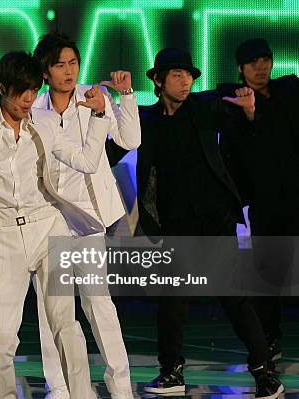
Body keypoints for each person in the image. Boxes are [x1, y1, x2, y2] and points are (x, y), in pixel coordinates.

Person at [0, 50, 111, 398]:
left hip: (48, 229)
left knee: (66, 325)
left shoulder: (43, 122)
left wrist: (101, 115)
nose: (29, 98)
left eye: (33, 90)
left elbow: (87, 161)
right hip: (2, 235)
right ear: (2, 88)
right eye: (21, 91)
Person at [106, 48, 283, 399]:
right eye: (176, 74)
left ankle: (265, 374)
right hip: (175, 223)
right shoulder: (148, 120)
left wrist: (248, 111)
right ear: (157, 80)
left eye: (188, 74)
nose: (185, 81)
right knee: (172, 301)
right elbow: (113, 151)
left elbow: (234, 112)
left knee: (235, 300)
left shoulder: (204, 108)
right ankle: (171, 373)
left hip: (215, 220)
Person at [30, 31, 140, 399]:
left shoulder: (95, 97)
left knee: (97, 300)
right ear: (45, 71)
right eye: (59, 64)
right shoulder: (35, 108)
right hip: (48, 216)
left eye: (73, 62)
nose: (68, 71)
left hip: (88, 216)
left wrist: (124, 96)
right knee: (52, 307)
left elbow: (130, 140)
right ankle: (58, 385)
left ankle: (120, 382)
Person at [219, 38, 299, 364]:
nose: (261, 66)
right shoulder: (232, 102)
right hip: (268, 201)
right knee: (270, 273)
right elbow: (236, 153)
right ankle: (269, 339)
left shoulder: (289, 90)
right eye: (253, 62)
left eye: (265, 59)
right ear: (241, 68)